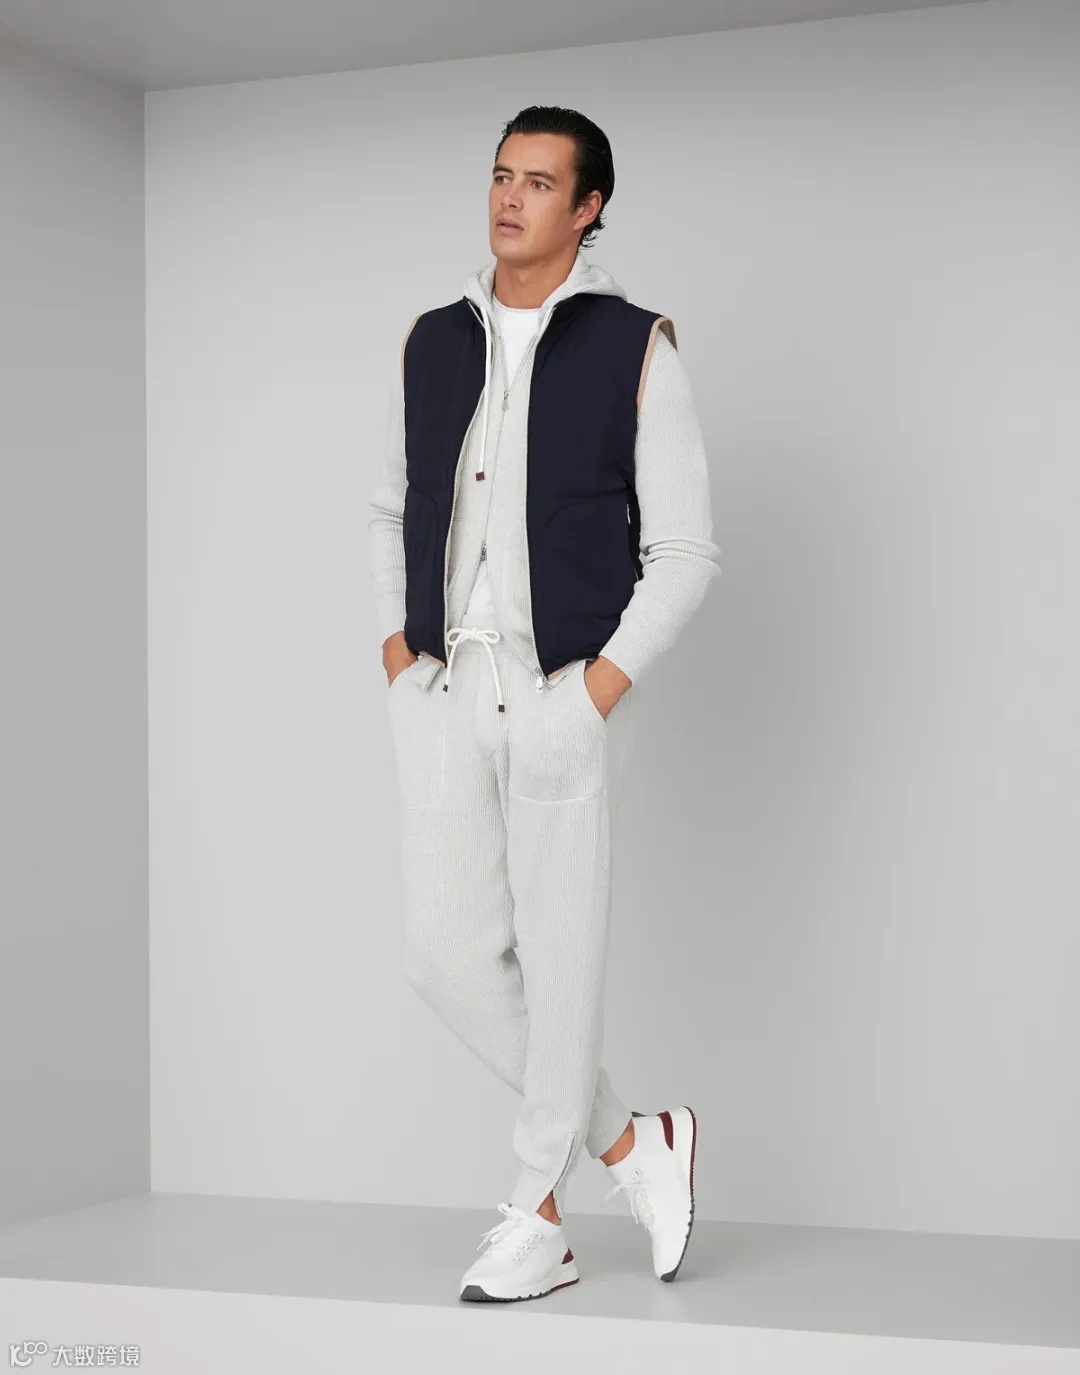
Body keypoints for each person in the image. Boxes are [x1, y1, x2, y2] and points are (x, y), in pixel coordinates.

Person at [367, 104, 719, 1302]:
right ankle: (631, 1139)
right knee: (443, 954)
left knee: (562, 966)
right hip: (443, 685)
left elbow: (686, 551)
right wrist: (398, 652)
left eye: (538, 182)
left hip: (563, 691)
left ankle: (538, 1215)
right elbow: (389, 509)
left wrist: (597, 692)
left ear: (589, 208)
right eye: (500, 175)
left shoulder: (636, 348)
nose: (509, 198)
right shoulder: (432, 340)